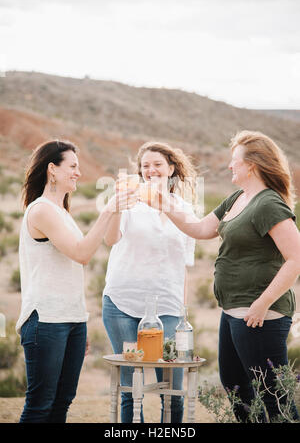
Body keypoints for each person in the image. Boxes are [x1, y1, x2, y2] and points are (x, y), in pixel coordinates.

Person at [147, 130, 300, 422]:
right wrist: (164, 204)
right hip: (232, 312)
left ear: (251, 165)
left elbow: (296, 259)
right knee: (237, 392)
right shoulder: (238, 198)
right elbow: (202, 229)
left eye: (235, 161)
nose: (230, 166)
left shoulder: (268, 203)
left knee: (273, 398)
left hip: (259, 315)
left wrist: (262, 303)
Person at [17, 139, 136, 423]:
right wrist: (108, 210)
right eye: (72, 166)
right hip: (45, 321)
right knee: (39, 407)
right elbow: (82, 254)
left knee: (61, 405)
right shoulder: (42, 209)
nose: (78, 173)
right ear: (52, 170)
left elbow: (71, 268)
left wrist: (77, 321)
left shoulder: (61, 212)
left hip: (69, 322)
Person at [102, 141, 197, 423]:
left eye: (157, 164)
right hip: (122, 305)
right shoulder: (128, 203)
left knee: (174, 389)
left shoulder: (186, 209)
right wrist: (116, 207)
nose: (151, 170)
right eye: (145, 166)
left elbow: (184, 266)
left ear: (171, 168)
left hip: (168, 308)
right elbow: (110, 240)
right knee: (131, 389)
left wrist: (183, 312)